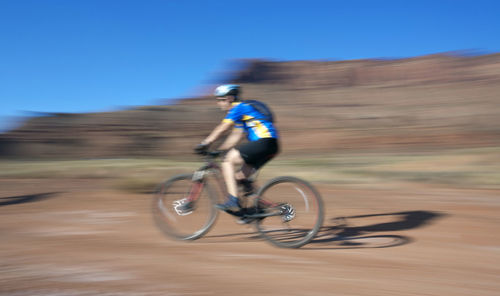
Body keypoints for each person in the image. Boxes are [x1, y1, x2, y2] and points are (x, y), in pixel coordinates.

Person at [195, 84, 279, 220]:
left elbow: (223, 128)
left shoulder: (239, 108)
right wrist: (219, 150)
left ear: (229, 98)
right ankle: (257, 210)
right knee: (240, 177)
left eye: (220, 99)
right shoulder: (244, 113)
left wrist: (205, 143)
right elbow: (236, 135)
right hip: (270, 145)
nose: (219, 103)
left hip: (263, 142)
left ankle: (233, 201)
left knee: (228, 161)